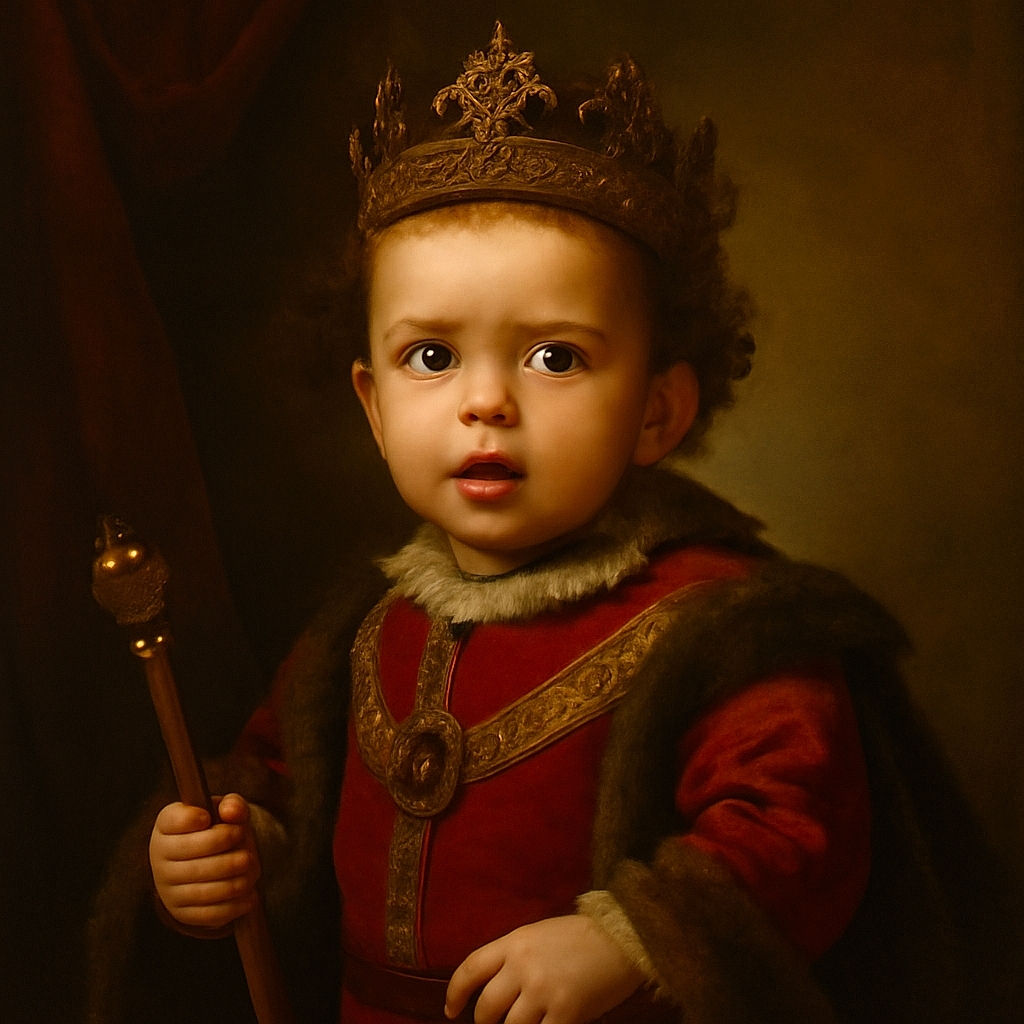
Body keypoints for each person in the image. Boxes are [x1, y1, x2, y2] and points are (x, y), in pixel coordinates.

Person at [140, 24, 1016, 1024]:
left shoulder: (722, 630)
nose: (485, 403)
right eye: (430, 358)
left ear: (657, 410)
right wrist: (231, 846)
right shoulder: (361, 632)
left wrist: (627, 935)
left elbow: (795, 832)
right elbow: (277, 782)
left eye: (553, 358)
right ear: (374, 406)